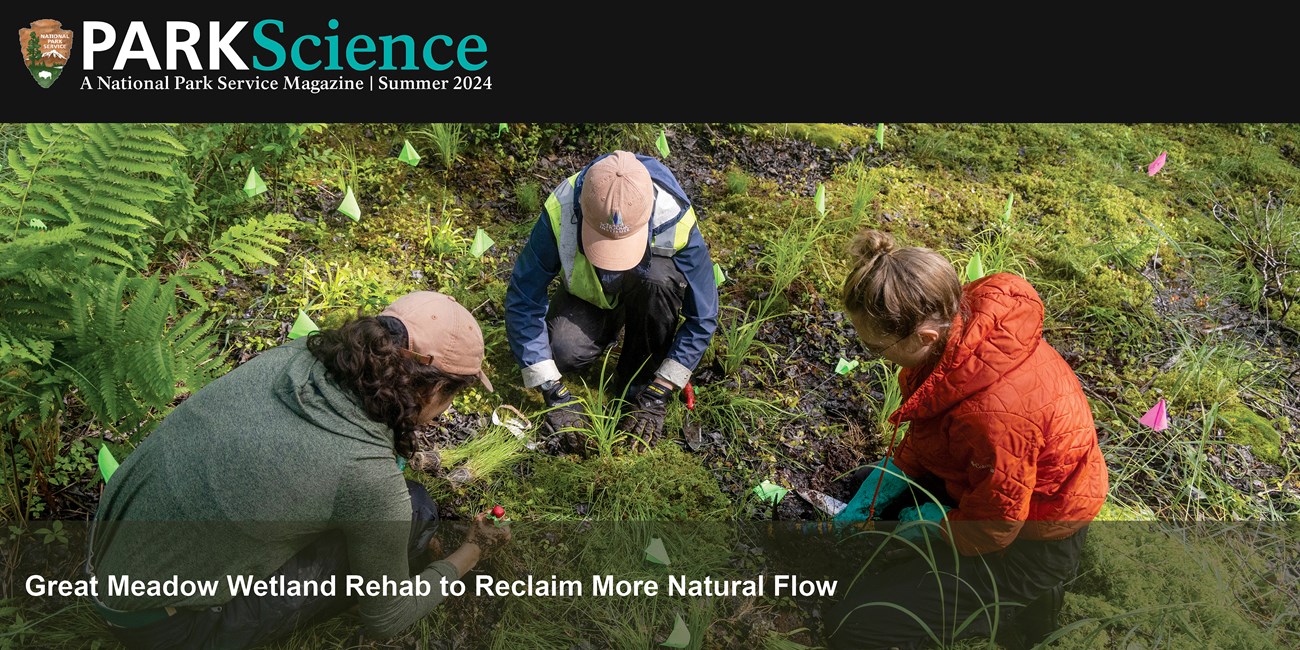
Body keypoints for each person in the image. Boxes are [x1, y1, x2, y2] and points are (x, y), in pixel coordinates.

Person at [87, 291, 512, 649]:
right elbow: (387, 619)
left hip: (103, 556)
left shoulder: (294, 355)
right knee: (417, 511)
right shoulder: (365, 475)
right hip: (163, 627)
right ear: (436, 388)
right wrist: (472, 549)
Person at [823, 229, 1109, 650]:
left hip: (1033, 539)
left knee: (859, 625)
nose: (875, 356)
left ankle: (1018, 613)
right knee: (866, 483)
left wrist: (931, 525)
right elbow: (936, 429)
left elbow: (996, 526)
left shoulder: (994, 415)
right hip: (993, 486)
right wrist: (891, 476)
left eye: (876, 347)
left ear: (923, 338)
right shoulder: (963, 341)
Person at [504, 150, 719, 451]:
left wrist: (662, 388)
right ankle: (603, 330)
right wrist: (552, 389)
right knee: (561, 352)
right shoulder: (561, 208)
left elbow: (703, 317)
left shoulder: (674, 216)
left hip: (649, 291)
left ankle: (638, 383)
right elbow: (524, 298)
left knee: (659, 280)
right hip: (589, 296)